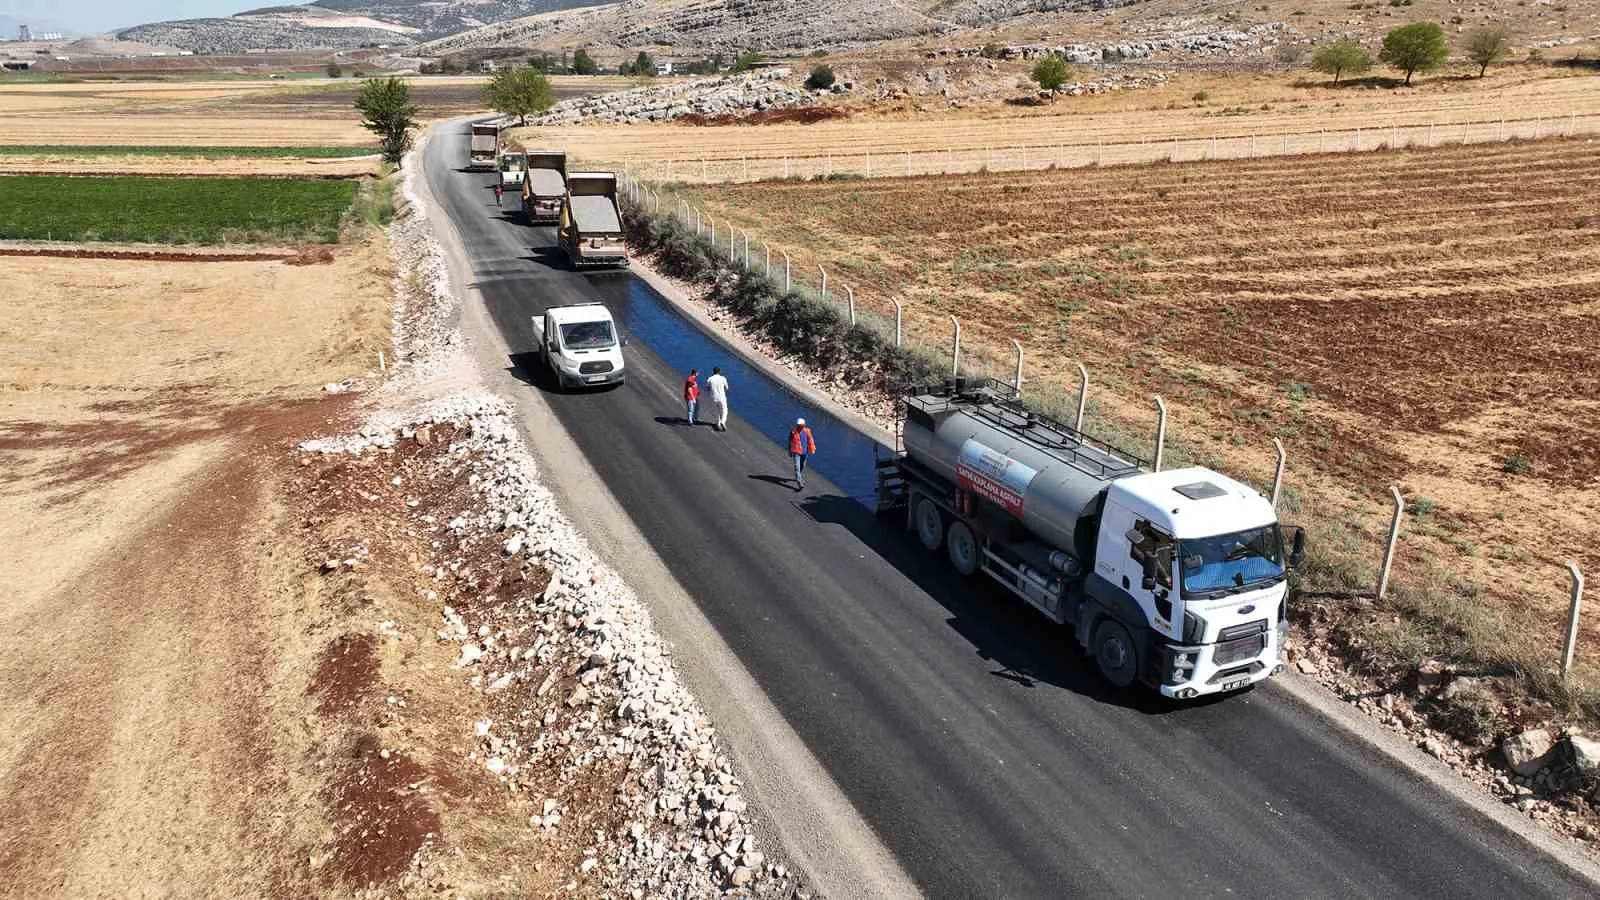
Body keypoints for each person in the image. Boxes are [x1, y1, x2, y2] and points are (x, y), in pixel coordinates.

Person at [789, 418, 817, 489]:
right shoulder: (793, 432)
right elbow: (790, 442)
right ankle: (799, 481)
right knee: (797, 467)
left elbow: (810, 440)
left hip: (805, 452)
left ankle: (799, 476)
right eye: (798, 425)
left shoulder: (807, 431)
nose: (799, 426)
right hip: (796, 452)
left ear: (804, 425)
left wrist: (812, 449)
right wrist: (790, 451)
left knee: (803, 465)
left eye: (801, 425)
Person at [705, 366, 730, 432]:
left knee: (716, 411)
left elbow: (707, 388)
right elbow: (727, 388)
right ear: (719, 372)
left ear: (713, 372)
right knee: (724, 410)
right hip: (722, 397)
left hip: (713, 397)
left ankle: (718, 423)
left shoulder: (710, 379)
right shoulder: (723, 378)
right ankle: (723, 422)